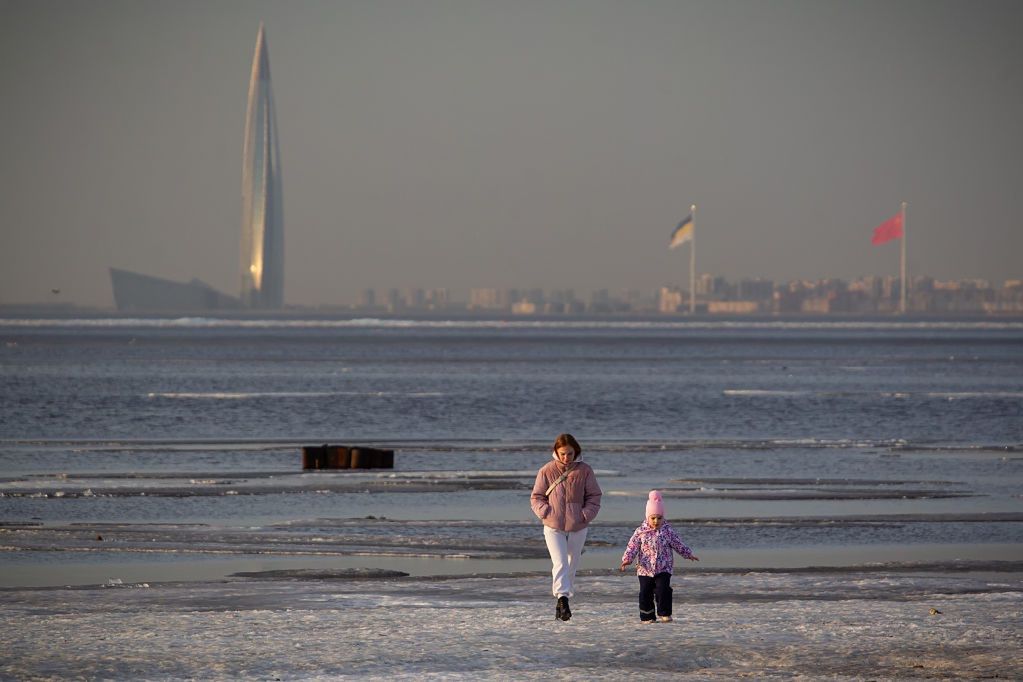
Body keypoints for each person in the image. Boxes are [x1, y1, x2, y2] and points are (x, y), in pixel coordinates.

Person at [530, 433, 602, 622]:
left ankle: (562, 600)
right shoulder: (546, 470)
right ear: (556, 452)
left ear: (575, 451)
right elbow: (536, 497)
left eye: (569, 454)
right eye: (562, 454)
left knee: (572, 562)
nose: (566, 458)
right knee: (560, 562)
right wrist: (545, 512)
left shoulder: (585, 471)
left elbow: (594, 496)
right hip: (553, 525)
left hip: (578, 524)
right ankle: (563, 599)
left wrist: (585, 515)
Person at [619, 490, 699, 623]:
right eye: (653, 518)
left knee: (663, 590)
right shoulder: (641, 532)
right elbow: (632, 546)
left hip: (664, 568)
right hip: (645, 569)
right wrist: (627, 559)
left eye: (659, 518)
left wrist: (687, 554)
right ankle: (647, 615)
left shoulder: (667, 531)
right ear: (647, 517)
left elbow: (677, 543)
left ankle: (665, 613)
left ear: (663, 517)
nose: (656, 521)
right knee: (645, 592)